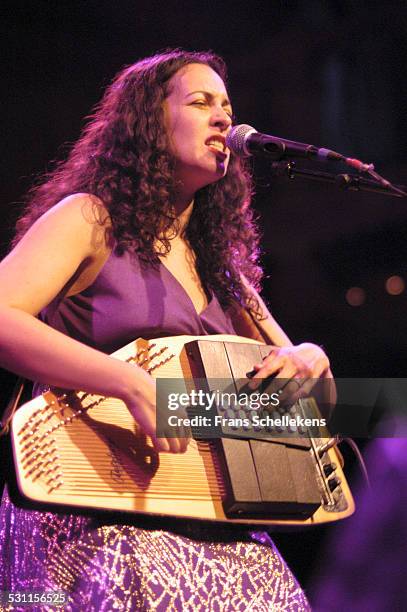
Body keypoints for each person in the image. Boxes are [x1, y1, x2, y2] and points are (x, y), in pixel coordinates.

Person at [0, 49, 332, 610]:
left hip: (210, 514)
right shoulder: (89, 218)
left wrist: (308, 357)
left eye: (227, 106)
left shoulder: (221, 265)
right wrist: (129, 384)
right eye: (201, 102)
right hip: (92, 508)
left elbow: (321, 410)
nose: (225, 119)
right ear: (148, 125)